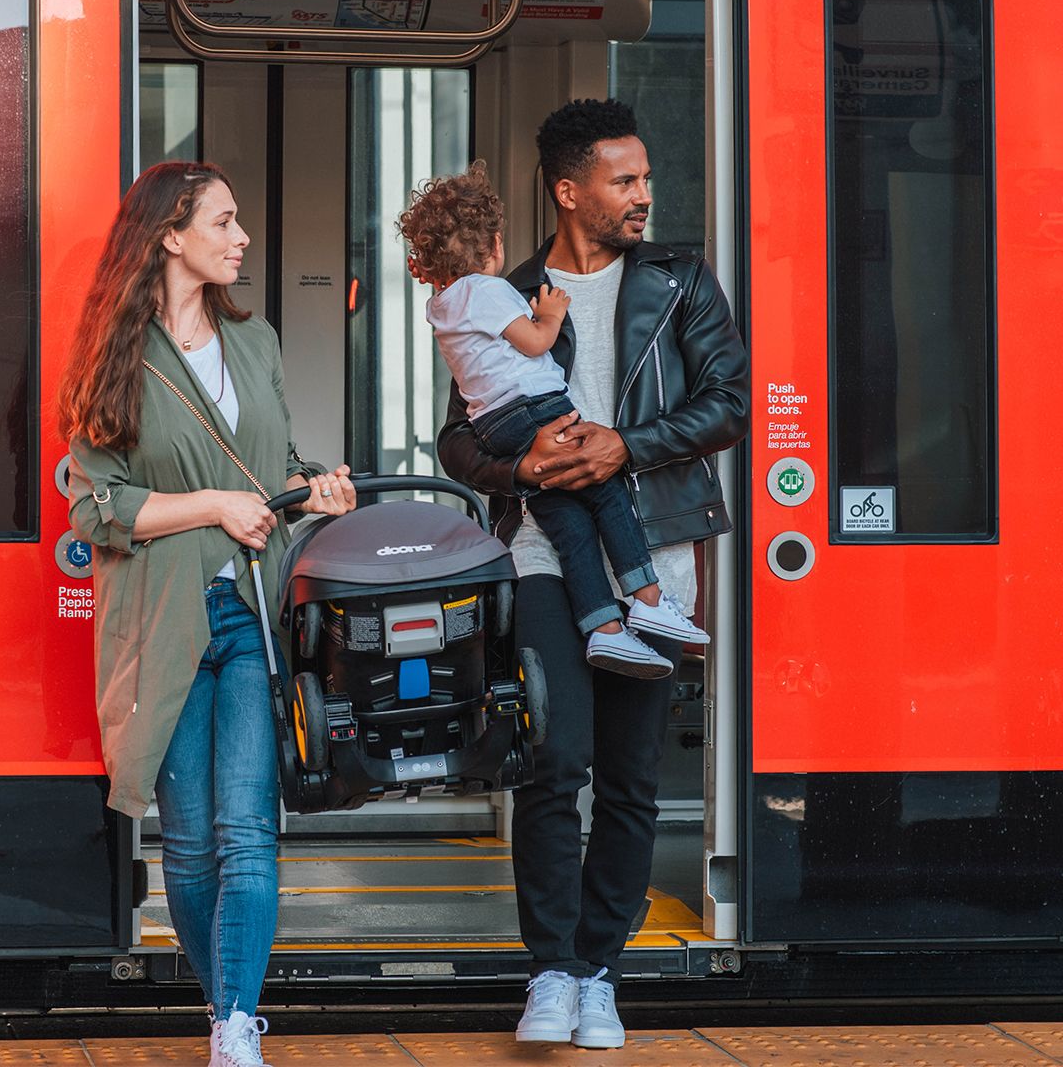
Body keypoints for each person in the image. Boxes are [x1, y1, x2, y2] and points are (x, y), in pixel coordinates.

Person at [437, 100, 749, 1048]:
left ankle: (600, 972)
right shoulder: (505, 289)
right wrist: (521, 468)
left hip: (654, 547)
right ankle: (551, 974)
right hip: (541, 552)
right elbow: (458, 436)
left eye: (646, 179)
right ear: (570, 191)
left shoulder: (682, 281)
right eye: (626, 181)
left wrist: (625, 447)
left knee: (627, 780)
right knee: (550, 765)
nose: (645, 196)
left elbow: (727, 401)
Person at [58, 162, 356, 1067]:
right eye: (224, 222)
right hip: (166, 620)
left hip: (252, 618)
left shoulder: (256, 341)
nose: (242, 238)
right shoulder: (117, 353)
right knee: (187, 848)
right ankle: (221, 1002)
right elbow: (96, 507)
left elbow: (271, 471)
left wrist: (315, 491)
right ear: (169, 236)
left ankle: (235, 1022)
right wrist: (216, 507)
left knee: (247, 833)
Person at [398, 162, 709, 681]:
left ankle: (605, 631)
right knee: (606, 491)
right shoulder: (491, 290)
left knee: (568, 525)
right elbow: (536, 343)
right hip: (535, 408)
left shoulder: (442, 305)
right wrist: (552, 313)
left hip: (497, 427)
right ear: (494, 245)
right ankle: (650, 600)